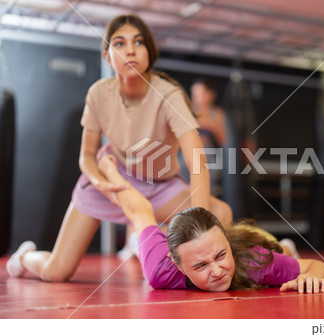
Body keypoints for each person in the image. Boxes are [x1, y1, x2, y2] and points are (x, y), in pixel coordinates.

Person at [6, 14, 232, 281]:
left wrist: (202, 233)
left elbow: (197, 164)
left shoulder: (169, 95)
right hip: (110, 180)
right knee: (56, 272)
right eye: (120, 44)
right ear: (106, 55)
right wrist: (101, 184)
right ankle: (22, 258)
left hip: (159, 185)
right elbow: (87, 156)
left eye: (138, 42)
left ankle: (143, 240)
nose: (130, 50)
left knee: (220, 213)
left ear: (150, 51)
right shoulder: (99, 94)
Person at [106, 156, 324, 292]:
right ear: (178, 265)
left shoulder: (254, 262)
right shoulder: (158, 270)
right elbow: (140, 210)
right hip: (191, 245)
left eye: (220, 256)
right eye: (200, 266)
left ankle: (286, 246)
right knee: (135, 238)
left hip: (253, 240)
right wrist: (110, 173)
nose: (216, 272)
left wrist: (313, 277)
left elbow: (319, 267)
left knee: (281, 249)